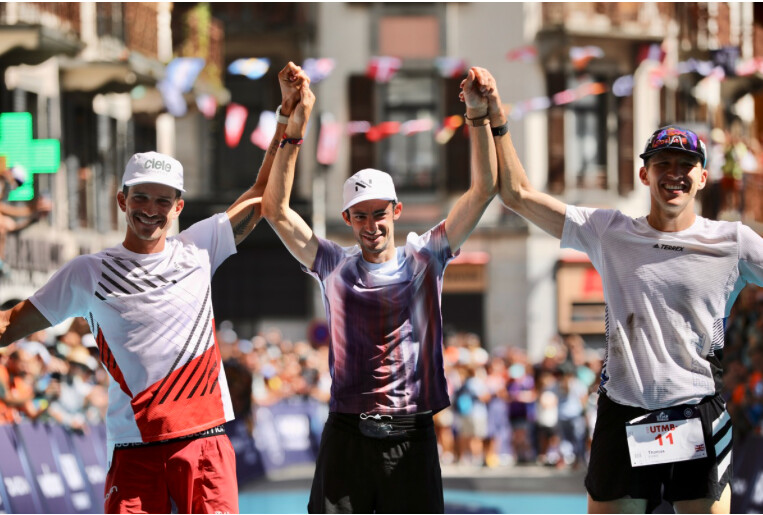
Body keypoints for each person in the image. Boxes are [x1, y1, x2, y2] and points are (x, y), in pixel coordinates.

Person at [0, 63, 311, 513]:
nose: (150, 209)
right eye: (141, 197)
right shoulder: (89, 272)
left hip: (204, 444)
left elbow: (264, 194)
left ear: (178, 207)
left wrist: (286, 117)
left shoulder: (198, 248)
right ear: (122, 200)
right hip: (135, 450)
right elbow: (9, 325)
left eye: (163, 200)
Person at [469, 68, 763, 514]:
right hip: (624, 410)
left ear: (703, 177)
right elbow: (517, 194)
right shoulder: (609, 230)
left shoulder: (732, 241)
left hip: (696, 408)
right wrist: (494, 116)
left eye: (686, 166)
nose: (674, 175)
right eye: (663, 164)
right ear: (644, 174)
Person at [261, 64, 498, 513]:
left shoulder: (425, 257)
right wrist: (291, 127)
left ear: (396, 211)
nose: (371, 225)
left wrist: (479, 116)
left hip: (411, 431)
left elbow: (483, 190)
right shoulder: (333, 265)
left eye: (379, 213)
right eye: (361, 216)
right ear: (347, 219)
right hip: (347, 431)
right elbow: (274, 210)